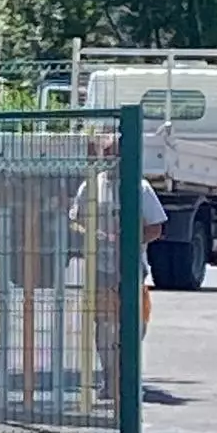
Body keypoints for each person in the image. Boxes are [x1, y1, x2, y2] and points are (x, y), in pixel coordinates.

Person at [70, 142, 167, 398]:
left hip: (132, 270)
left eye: (118, 155)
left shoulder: (140, 188)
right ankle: (109, 379)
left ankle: (127, 379)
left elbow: (156, 227)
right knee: (103, 327)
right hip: (100, 269)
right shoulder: (91, 186)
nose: (113, 161)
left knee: (134, 326)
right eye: (109, 155)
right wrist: (92, 234)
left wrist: (132, 238)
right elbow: (76, 220)